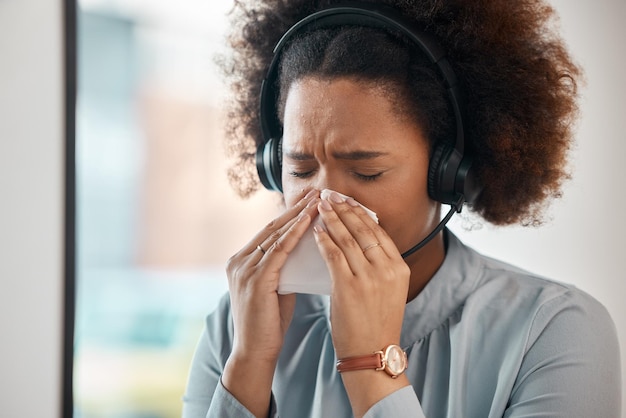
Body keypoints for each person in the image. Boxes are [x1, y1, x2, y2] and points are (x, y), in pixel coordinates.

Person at [182, 1, 621, 417]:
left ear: (447, 173)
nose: (322, 203)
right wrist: (248, 366)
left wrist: (371, 367)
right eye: (300, 169)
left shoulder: (554, 331)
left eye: (367, 172)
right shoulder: (235, 323)